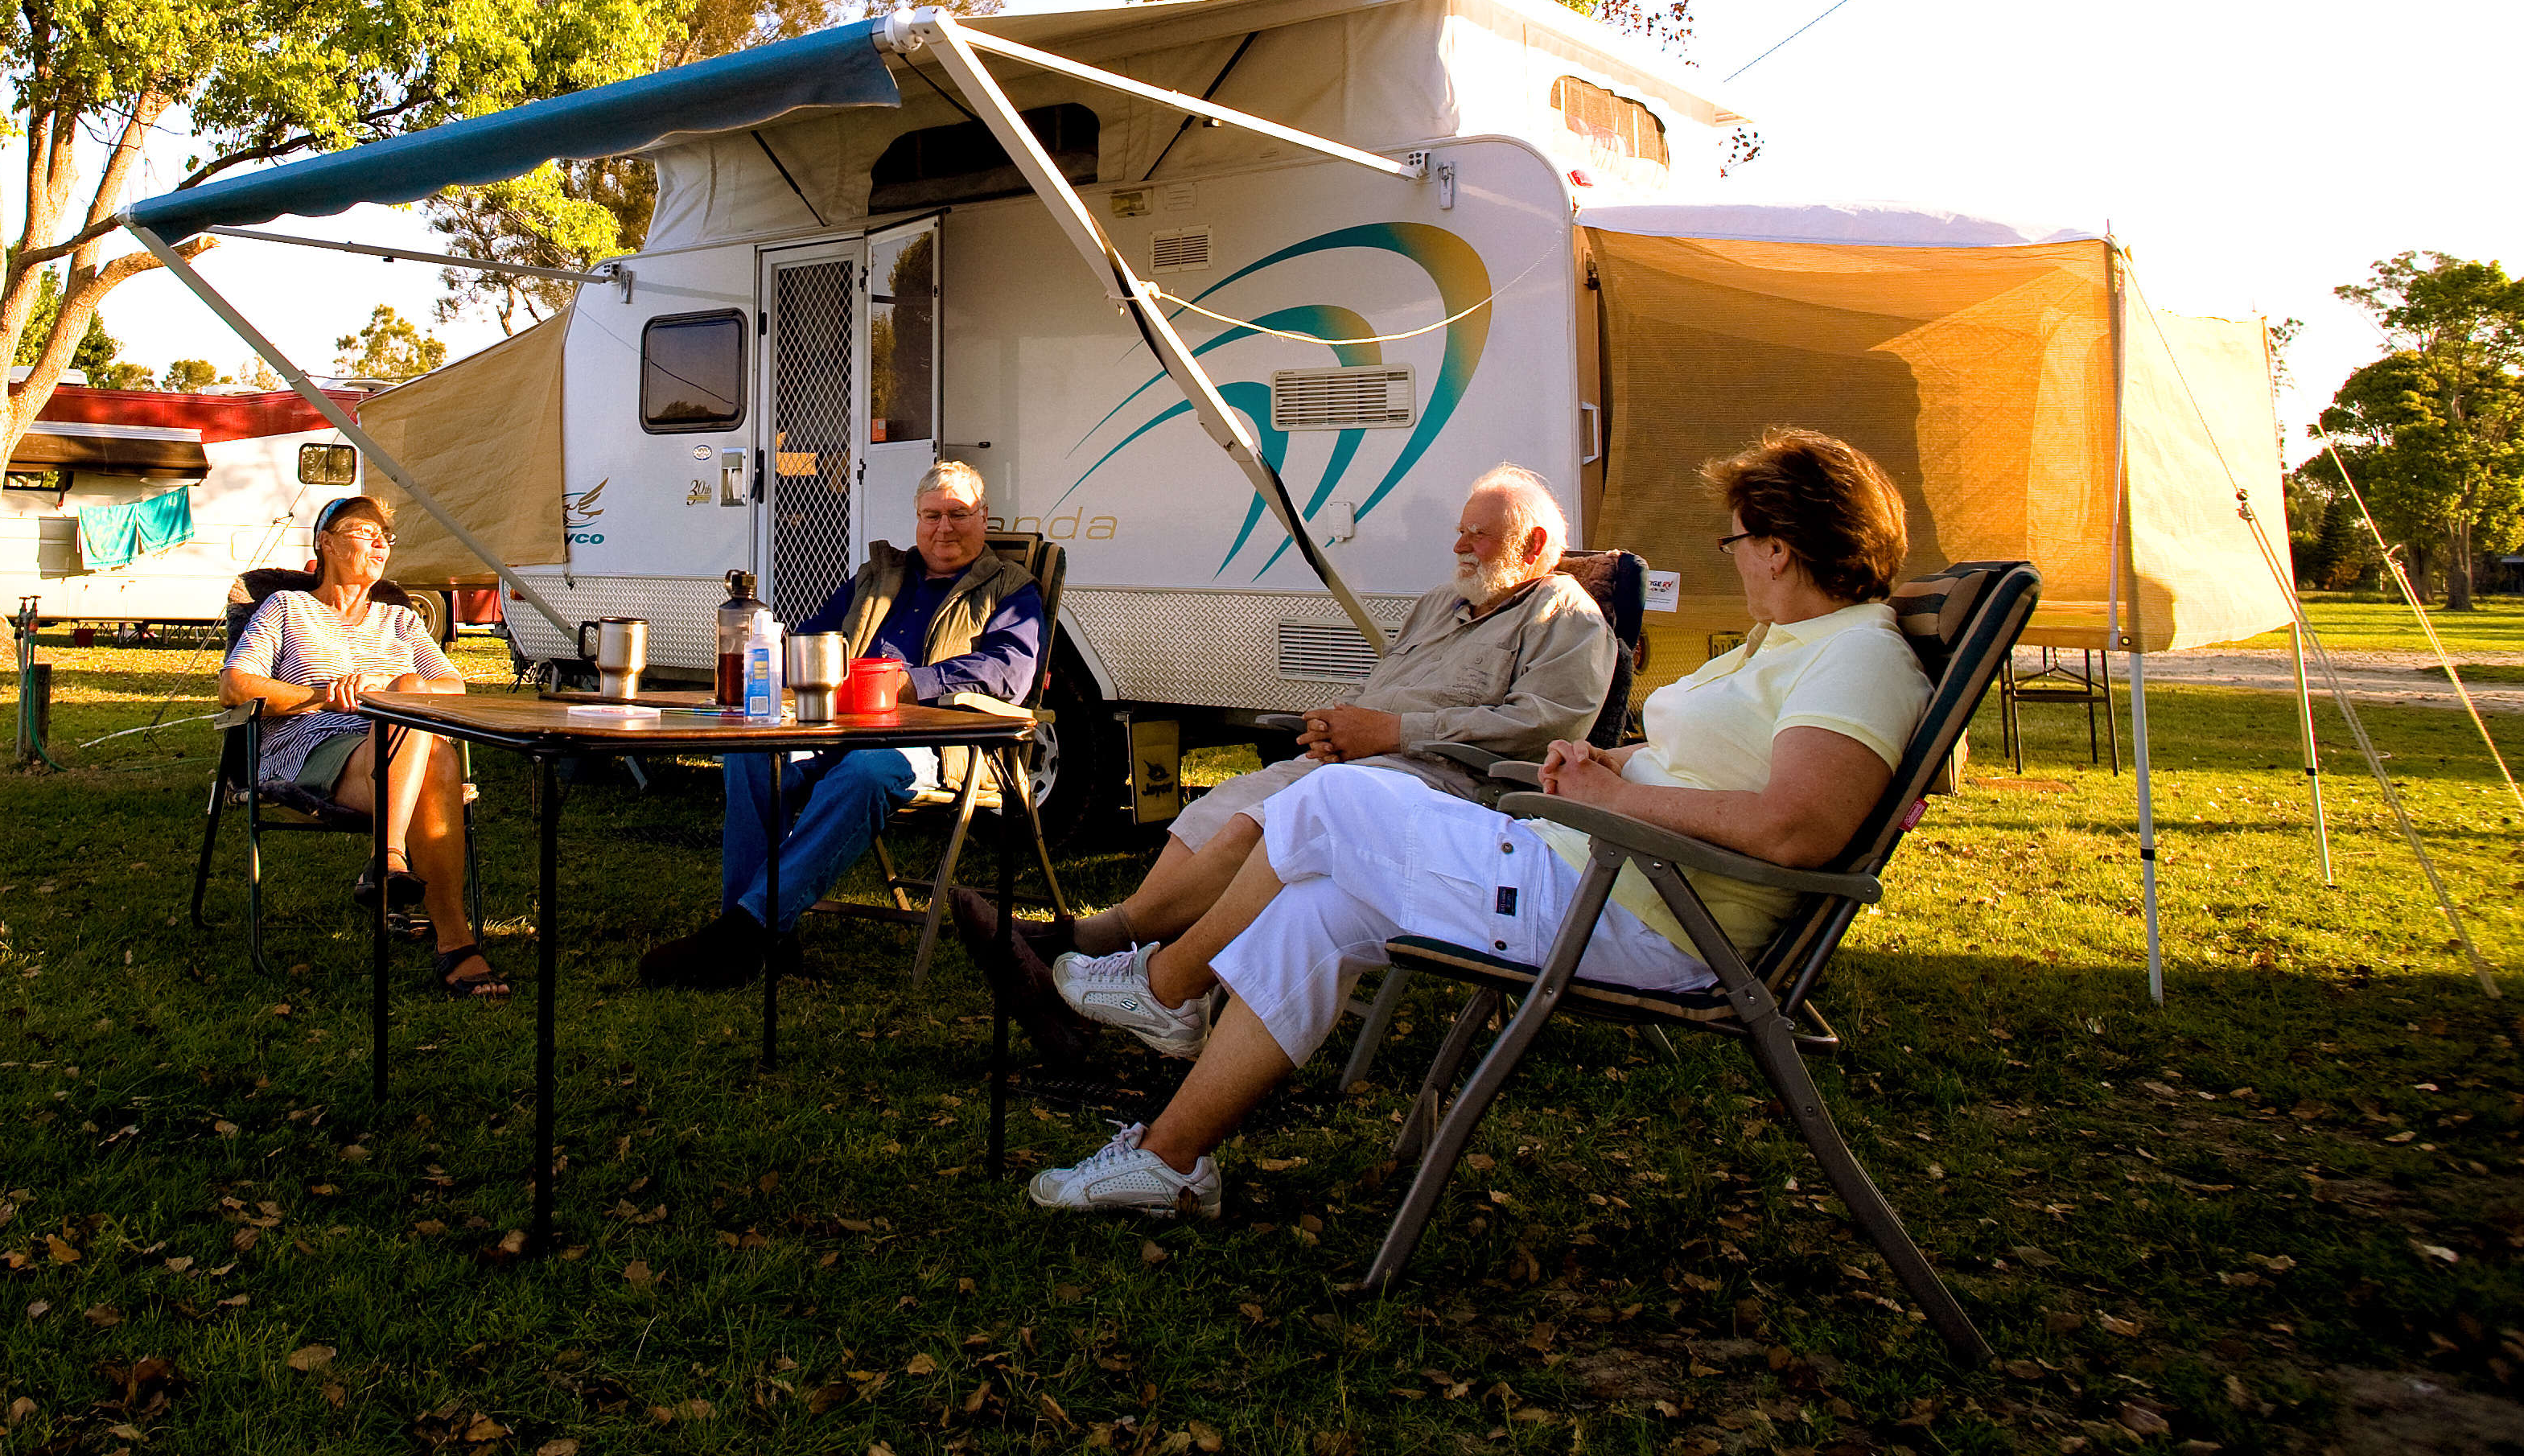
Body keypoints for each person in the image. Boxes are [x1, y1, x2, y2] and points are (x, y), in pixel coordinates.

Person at [1026, 426, 1926, 1219]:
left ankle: (1166, 986)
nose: (1733, 557)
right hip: (1590, 870)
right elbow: (1713, 766)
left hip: (1648, 917)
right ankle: (1170, 1161)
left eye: (1736, 540)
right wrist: (1609, 765)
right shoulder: (1789, 643)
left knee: (1330, 802)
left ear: (1779, 547)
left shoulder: (1860, 657)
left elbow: (1797, 830)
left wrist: (1618, 800)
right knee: (1315, 910)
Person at [951, 465, 1615, 1060]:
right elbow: (1383, 689)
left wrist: (1394, 731)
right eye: (1460, 531)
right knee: (1215, 810)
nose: (1460, 547)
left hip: (1448, 787)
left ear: (1533, 545)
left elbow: (1542, 730)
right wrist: (1340, 725)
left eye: (1479, 535)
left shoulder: (1568, 621)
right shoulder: (1442, 604)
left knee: (1264, 826)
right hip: (1366, 765)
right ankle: (1112, 976)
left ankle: (1090, 948)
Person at [637, 459, 1044, 989]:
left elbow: (1008, 672)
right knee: (751, 752)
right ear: (917, 519)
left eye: (959, 514)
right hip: (838, 725)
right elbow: (812, 638)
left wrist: (912, 683)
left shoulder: (1010, 588)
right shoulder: (879, 578)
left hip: (939, 741)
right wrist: (772, 661)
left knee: (866, 773)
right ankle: (762, 933)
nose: (944, 528)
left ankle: (744, 933)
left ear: (984, 517)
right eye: (932, 515)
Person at [217, 494, 508, 1001]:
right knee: (431, 748)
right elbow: (235, 687)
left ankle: (387, 859)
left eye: (385, 536)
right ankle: (455, 942)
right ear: (326, 543)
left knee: (415, 704)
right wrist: (325, 695)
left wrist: (385, 691)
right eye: (364, 532)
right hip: (311, 748)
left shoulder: (400, 620)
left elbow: (453, 688)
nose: (379, 543)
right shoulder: (286, 608)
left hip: (399, 753)